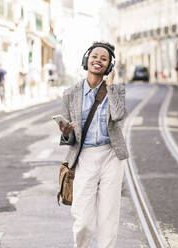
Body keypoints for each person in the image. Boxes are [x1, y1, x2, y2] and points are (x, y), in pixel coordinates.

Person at [57, 41, 129, 248]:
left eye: (104, 59)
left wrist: (111, 86)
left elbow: (118, 115)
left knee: (108, 217)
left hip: (111, 156)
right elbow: (69, 138)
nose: (98, 60)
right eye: (94, 56)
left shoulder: (116, 90)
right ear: (86, 59)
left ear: (109, 66)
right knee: (83, 222)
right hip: (85, 157)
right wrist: (66, 133)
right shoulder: (70, 93)